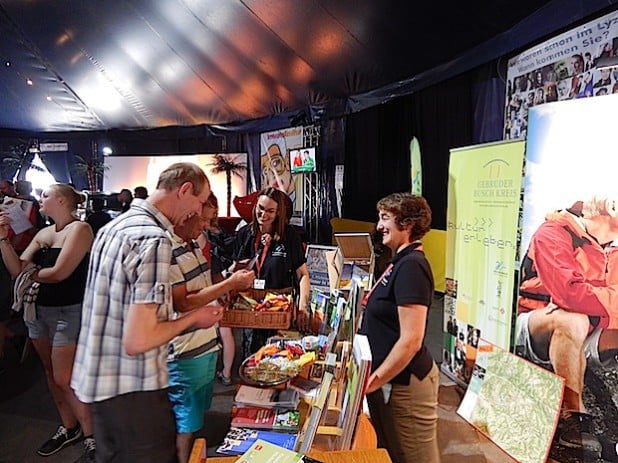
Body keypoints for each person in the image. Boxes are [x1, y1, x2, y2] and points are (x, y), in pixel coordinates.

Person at [71, 163, 223, 462]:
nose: (197, 212)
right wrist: (194, 318)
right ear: (184, 190)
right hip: (135, 389)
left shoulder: (114, 228)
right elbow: (139, 339)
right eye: (200, 202)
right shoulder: (154, 239)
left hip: (102, 386)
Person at [516, 196, 618, 460]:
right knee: (571, 318)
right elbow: (569, 293)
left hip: (589, 324)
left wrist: (591, 299)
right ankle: (574, 420)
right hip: (536, 320)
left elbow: (579, 297)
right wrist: (599, 297)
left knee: (577, 317)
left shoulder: (613, 246)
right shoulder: (553, 233)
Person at [0, 183, 95, 462]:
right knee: (50, 372)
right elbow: (17, 269)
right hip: (38, 312)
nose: (39, 200)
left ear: (62, 201)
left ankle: (90, 434)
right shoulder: (44, 232)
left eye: (46, 196)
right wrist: (3, 239)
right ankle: (69, 427)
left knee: (64, 377)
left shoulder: (80, 229)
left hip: (69, 311)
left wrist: (32, 273)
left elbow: (59, 273)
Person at [167, 193, 254, 463]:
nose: (207, 225)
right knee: (185, 420)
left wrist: (225, 280)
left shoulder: (191, 244)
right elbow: (182, 301)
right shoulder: (166, 247)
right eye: (204, 219)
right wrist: (228, 284)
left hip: (204, 344)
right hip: (185, 349)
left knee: (193, 418)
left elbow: (202, 286)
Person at [358, 192, 440, 463]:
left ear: (406, 224)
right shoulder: (398, 262)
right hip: (389, 381)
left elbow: (411, 340)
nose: (379, 226)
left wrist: (374, 380)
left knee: (416, 457)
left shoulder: (412, 266)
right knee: (392, 453)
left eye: (385, 218)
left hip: (407, 384)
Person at [232, 187, 310, 358]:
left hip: (279, 309)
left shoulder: (289, 235)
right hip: (252, 310)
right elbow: (235, 270)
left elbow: (303, 274)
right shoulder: (245, 234)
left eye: (270, 211)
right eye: (260, 208)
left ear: (278, 213)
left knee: (278, 359)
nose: (263, 214)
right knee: (252, 361)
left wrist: (303, 306)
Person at [196, 194, 238, 386]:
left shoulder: (197, 236)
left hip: (207, 291)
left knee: (211, 338)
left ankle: (213, 375)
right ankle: (227, 373)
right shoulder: (218, 232)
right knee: (225, 332)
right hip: (220, 285)